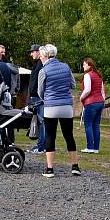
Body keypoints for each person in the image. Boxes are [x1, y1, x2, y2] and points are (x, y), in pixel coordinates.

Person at [38, 44, 81, 178]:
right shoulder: (66, 67)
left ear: (45, 55)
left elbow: (40, 91)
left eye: (41, 55)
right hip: (66, 106)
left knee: (50, 136)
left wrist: (48, 97)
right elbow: (73, 85)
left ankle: (50, 169)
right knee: (69, 135)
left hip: (51, 106)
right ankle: (75, 167)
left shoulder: (43, 70)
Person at [80, 57, 106, 153]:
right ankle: (96, 148)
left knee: (88, 125)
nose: (83, 66)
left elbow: (87, 90)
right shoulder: (99, 75)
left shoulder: (87, 75)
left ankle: (90, 147)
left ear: (89, 65)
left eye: (84, 64)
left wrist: (81, 98)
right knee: (96, 125)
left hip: (91, 103)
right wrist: (103, 101)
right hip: (100, 102)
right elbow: (102, 91)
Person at [26, 44, 46, 154]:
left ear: (38, 52)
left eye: (33, 52)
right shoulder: (37, 64)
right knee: (40, 121)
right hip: (35, 96)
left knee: (41, 121)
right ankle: (42, 144)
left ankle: (41, 146)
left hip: (39, 97)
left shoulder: (41, 64)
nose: (31, 54)